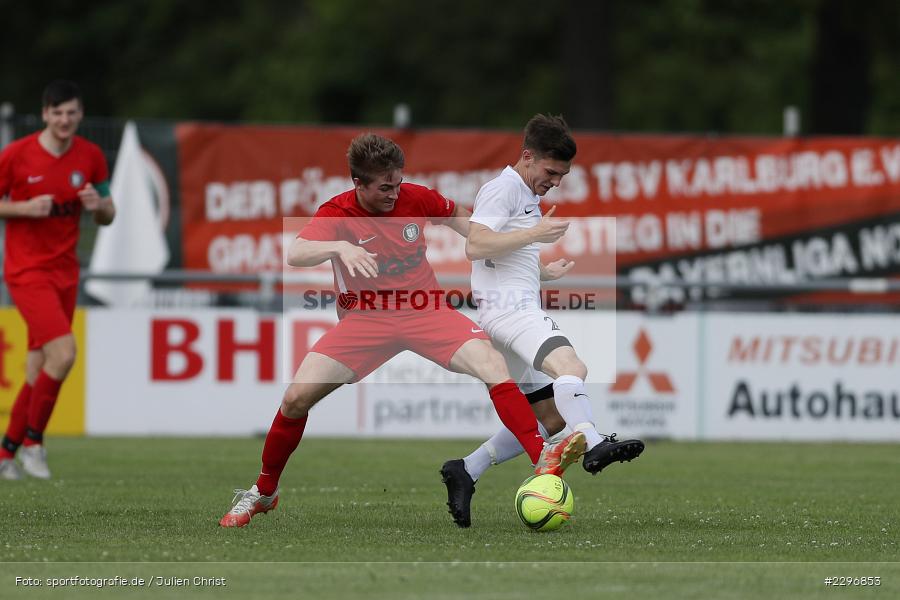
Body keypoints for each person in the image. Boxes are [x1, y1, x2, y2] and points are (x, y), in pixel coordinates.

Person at [219, 133, 585, 527]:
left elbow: (477, 233)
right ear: (358, 183)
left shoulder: (417, 196)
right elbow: (296, 252)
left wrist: (535, 267)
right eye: (384, 187)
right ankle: (263, 492)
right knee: (294, 399)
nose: (395, 194)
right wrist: (339, 248)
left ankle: (541, 457)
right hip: (366, 320)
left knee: (493, 365)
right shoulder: (337, 212)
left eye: (398, 183)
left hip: (425, 311)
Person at [440, 114, 645, 527]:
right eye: (551, 172)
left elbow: (499, 254)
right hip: (513, 312)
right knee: (572, 367)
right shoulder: (503, 189)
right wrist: (535, 236)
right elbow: (476, 244)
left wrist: (540, 269)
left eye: (562, 175)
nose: (555, 181)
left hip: (505, 312)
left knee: (548, 419)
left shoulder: (524, 192)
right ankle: (592, 442)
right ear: (528, 156)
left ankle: (466, 469)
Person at [0, 80, 115, 480]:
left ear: (80, 114)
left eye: (72, 112)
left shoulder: (91, 155)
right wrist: (23, 208)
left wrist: (99, 206)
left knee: (38, 367)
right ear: (45, 114)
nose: (65, 120)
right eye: (57, 112)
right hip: (27, 271)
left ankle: (5, 453)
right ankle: (34, 443)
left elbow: (109, 213)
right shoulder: (17, 155)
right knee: (64, 354)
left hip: (65, 272)